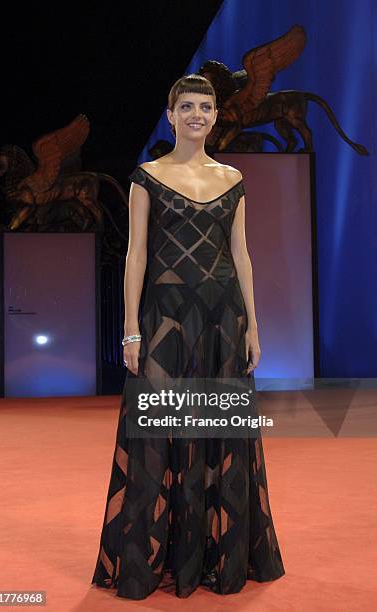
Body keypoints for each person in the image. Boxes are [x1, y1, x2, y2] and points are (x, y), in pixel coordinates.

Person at [91, 74, 285, 599]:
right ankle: (154, 559)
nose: (197, 114)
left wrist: (254, 325)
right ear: (171, 115)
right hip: (165, 320)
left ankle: (216, 558)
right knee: (156, 433)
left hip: (225, 319)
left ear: (216, 115)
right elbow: (136, 255)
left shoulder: (233, 177)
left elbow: (241, 255)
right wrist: (130, 331)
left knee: (219, 433)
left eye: (206, 106)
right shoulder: (146, 177)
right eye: (187, 106)